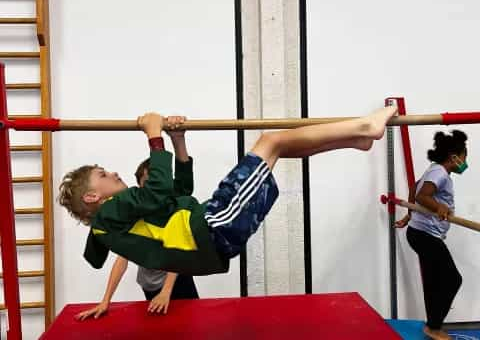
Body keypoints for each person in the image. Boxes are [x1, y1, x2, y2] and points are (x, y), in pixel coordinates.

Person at [58, 106, 397, 276]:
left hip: (213, 236)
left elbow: (178, 192)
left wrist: (178, 140)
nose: (113, 172)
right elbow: (157, 191)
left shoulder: (121, 222)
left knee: (276, 150)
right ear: (93, 197)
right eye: (103, 174)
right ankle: (365, 127)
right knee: (271, 141)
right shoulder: (111, 212)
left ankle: (357, 139)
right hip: (212, 226)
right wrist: (153, 134)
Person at [75, 157, 198, 321]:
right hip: (149, 283)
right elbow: (121, 259)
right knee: (163, 325)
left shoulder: (163, 213)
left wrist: (166, 291)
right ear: (140, 186)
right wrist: (106, 300)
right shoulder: (133, 213)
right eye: (146, 184)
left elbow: (178, 249)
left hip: (175, 278)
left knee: (186, 320)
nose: (151, 188)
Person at [395, 130, 467, 340]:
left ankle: (432, 325)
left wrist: (410, 216)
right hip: (425, 235)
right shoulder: (440, 173)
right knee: (452, 279)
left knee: (437, 280)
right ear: (454, 157)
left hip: (419, 232)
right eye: (464, 157)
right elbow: (421, 195)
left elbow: (413, 187)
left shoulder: (434, 169)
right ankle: (434, 327)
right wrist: (439, 207)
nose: (465, 162)